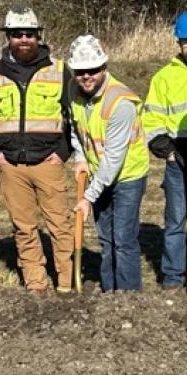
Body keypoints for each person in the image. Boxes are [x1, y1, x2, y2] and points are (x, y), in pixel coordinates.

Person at [0, 8, 73, 297]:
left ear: (38, 36)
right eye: (17, 35)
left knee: (60, 225)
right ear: (8, 38)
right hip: (12, 165)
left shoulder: (58, 71)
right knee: (24, 228)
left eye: (29, 34)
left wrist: (63, 152)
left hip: (48, 162)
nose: (24, 40)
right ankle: (36, 283)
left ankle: (67, 282)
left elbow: (74, 114)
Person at [69, 35, 148, 292]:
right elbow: (76, 130)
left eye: (92, 70)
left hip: (127, 176)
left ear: (103, 67)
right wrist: (80, 158)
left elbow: (113, 159)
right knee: (106, 239)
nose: (86, 76)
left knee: (123, 239)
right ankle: (109, 294)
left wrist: (88, 197)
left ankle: (128, 297)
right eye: (80, 71)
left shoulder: (120, 103)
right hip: (97, 173)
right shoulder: (73, 92)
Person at [145, 12, 187, 290]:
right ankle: (173, 277)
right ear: (179, 43)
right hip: (178, 155)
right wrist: (168, 153)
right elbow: (152, 120)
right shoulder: (164, 78)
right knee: (175, 220)